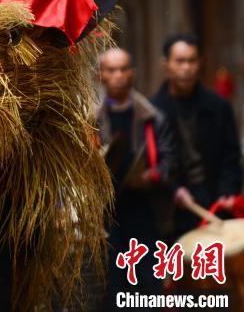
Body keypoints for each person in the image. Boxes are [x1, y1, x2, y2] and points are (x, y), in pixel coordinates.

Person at [96, 48, 178, 299]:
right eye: (111, 70)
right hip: (106, 215)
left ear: (133, 73)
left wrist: (151, 177)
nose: (118, 75)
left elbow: (170, 162)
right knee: (112, 285)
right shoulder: (91, 120)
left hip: (145, 210)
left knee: (148, 283)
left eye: (123, 69)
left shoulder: (152, 117)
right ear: (101, 76)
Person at [151, 34, 243, 236]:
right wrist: (173, 190)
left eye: (192, 61)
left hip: (215, 200)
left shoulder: (219, 106)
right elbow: (154, 161)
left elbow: (231, 156)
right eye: (180, 61)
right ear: (166, 64)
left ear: (200, 62)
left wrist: (227, 193)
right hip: (175, 209)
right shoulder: (152, 111)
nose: (186, 68)